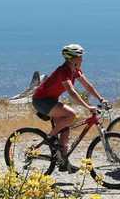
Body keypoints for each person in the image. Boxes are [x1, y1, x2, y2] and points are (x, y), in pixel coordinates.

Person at [31, 43, 108, 171]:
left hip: (52, 100)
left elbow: (88, 86)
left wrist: (101, 99)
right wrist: (88, 107)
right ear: (72, 58)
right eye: (80, 57)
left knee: (65, 130)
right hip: (41, 101)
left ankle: (63, 162)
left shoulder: (75, 70)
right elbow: (72, 92)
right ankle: (49, 137)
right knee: (71, 115)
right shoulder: (64, 71)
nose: (82, 59)